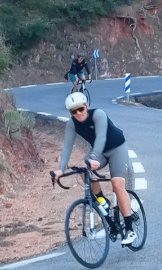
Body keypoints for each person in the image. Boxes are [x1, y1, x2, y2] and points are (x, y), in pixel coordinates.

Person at [52, 92, 136, 245]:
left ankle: (130, 230)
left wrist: (94, 157)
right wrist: (61, 169)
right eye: (73, 111)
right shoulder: (72, 124)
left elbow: (101, 137)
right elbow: (67, 147)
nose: (78, 113)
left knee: (117, 185)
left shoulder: (99, 114)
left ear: (87, 106)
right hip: (99, 151)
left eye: (81, 109)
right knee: (83, 169)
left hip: (117, 147)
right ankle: (103, 202)